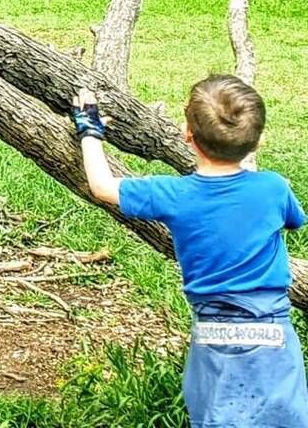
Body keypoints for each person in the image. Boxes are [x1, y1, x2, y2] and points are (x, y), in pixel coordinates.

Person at [72, 75, 308, 427]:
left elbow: (102, 186)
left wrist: (89, 129)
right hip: (273, 333)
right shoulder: (273, 188)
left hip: (212, 334)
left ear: (187, 134)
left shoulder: (174, 194)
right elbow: (294, 221)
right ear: (258, 141)